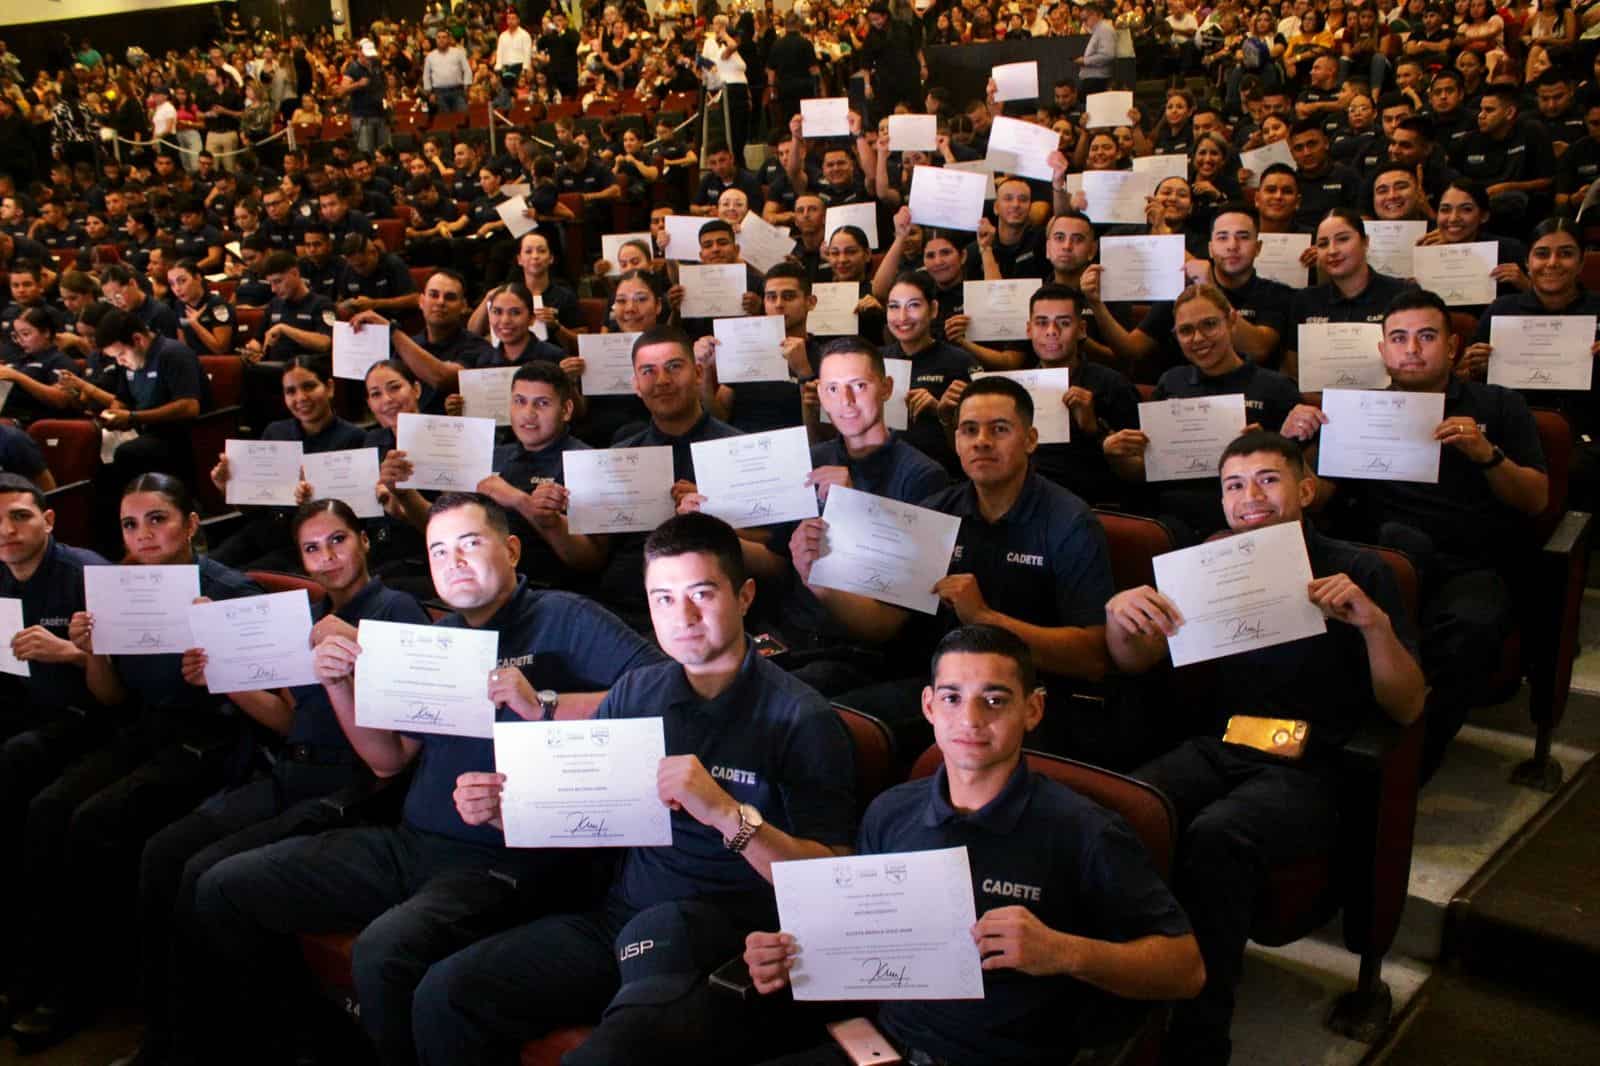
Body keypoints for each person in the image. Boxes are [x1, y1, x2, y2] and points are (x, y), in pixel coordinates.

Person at [192, 492, 663, 1066]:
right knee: (225, 887)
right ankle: (309, 1047)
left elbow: (663, 700)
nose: (454, 562)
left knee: (384, 950)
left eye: (470, 544)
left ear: (512, 549)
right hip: (412, 842)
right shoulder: (439, 644)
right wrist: (341, 685)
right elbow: (387, 760)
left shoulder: (566, 616)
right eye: (438, 552)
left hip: (509, 860)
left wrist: (544, 701)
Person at [410, 511, 856, 1066]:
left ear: (743, 596)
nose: (683, 615)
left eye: (701, 593)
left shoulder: (801, 719)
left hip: (720, 935)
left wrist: (727, 815)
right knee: (446, 994)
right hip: (621, 917)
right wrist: (509, 810)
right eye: (663, 599)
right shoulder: (639, 689)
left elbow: (831, 883)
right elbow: (587, 806)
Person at [1106, 430, 1425, 1066]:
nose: (1250, 496)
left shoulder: (1358, 570)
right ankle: (1121, 1005)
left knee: (1218, 837)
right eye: (1233, 485)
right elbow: (1133, 659)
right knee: (1125, 815)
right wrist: (1121, 614)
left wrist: (1374, 626)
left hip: (1315, 766)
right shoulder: (1209, 563)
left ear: (1304, 490)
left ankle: (1199, 1042)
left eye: (1268, 480)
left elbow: (1408, 704)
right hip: (1222, 743)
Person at [747, 624, 1204, 1066]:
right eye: (952, 698)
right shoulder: (890, 812)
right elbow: (859, 939)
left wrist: (1063, 951)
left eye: (994, 700)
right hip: (885, 1045)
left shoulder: (1085, 832)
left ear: (1033, 710)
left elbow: (1186, 970)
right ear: (928, 706)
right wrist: (793, 955)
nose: (970, 719)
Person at [120, 498, 429, 1066]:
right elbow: (289, 718)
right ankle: (173, 1031)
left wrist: (364, 650)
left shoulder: (395, 608)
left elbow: (404, 735)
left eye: (338, 540)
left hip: (353, 784)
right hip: (291, 767)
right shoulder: (303, 619)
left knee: (204, 875)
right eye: (313, 548)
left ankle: (242, 1038)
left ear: (364, 541)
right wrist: (226, 678)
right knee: (164, 852)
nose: (327, 556)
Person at [8, 474, 262, 1051]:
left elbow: (270, 701)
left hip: (215, 740)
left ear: (191, 525)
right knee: (49, 807)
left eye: (158, 520)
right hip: (145, 728)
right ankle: (42, 968)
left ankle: (88, 987)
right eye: (130, 524)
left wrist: (218, 661)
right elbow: (112, 696)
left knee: (96, 821)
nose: (143, 536)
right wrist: (93, 652)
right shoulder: (121, 588)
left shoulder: (229, 588)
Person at [1283, 288, 1547, 780]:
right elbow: (1313, 500)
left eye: (1426, 336)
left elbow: (1536, 499)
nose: (1412, 349)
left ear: (1451, 346)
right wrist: (1294, 445)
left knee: (1472, 626)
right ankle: (1322, 758)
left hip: (1467, 563)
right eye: (1399, 338)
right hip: (1380, 559)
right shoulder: (1360, 409)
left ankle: (1407, 765)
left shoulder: (1501, 405)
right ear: (1382, 351)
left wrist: (1487, 454)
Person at [826, 376, 1118, 763]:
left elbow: (1093, 656)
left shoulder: (1070, 523)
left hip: (1023, 698)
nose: (981, 441)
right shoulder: (936, 510)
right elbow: (884, 623)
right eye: (969, 430)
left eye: (999, 429)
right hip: (937, 682)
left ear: (1030, 440)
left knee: (846, 738)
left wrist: (985, 618)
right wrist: (822, 583)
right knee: (824, 721)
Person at [1102, 283, 1298, 544]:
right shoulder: (1170, 382)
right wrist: (1115, 455)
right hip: (1169, 525)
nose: (1198, 338)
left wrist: (1266, 450)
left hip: (1250, 524)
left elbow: (1301, 482)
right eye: (1186, 330)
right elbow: (1142, 470)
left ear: (1231, 321)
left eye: (1209, 324)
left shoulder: (1276, 388)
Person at [594, 327, 742, 630]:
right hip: (625, 611)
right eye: (648, 371)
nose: (662, 380)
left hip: (708, 613)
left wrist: (717, 508)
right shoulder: (618, 458)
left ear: (698, 372)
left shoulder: (739, 452)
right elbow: (594, 555)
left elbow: (772, 560)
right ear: (636, 384)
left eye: (674, 367)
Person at [1461, 218, 1600, 509]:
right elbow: (1465, 379)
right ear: (1527, 261)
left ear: (1581, 260)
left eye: (1565, 253)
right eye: (1541, 253)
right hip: (1512, 430)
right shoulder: (1501, 310)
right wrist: (1474, 365)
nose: (1552, 263)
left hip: (1587, 431)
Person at [208, 357, 367, 570]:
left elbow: (356, 517)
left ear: (329, 388)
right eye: (290, 391)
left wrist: (312, 502)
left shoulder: (355, 438)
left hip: (307, 542)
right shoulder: (276, 432)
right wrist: (229, 488)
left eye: (309, 386)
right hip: (263, 530)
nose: (301, 397)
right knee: (209, 569)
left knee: (244, 579)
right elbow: (254, 509)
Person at [474, 361, 607, 589]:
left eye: (542, 403)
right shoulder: (493, 456)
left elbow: (590, 560)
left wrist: (520, 501)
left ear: (566, 410)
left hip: (552, 591)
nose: (528, 414)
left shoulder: (588, 462)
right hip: (487, 581)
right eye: (519, 401)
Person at [422, 28, 470, 114]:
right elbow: (426, 76)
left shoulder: (458, 53)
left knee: (462, 117)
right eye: (439, 37)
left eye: (444, 37)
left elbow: (467, 70)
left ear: (448, 39)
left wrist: (467, 85)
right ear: (436, 40)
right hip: (439, 93)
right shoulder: (430, 56)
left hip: (457, 91)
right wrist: (429, 93)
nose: (441, 40)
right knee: (444, 122)